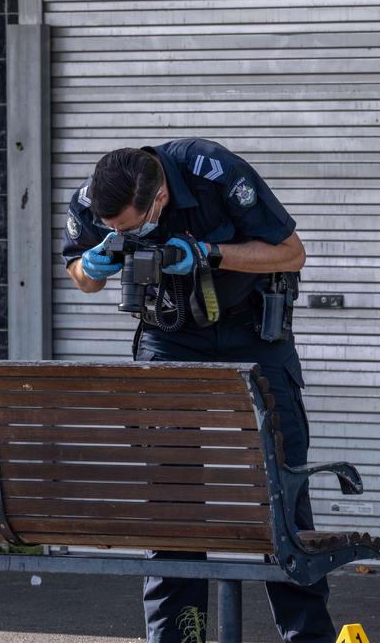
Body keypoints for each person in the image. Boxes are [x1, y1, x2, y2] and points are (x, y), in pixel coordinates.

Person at [61, 138, 335, 643]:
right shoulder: (94, 198)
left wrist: (210, 253)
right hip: (169, 336)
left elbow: (291, 253)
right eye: (114, 230)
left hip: (252, 334)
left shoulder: (213, 170)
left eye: (130, 228)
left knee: (282, 485)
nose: (123, 235)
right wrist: (93, 265)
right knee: (171, 496)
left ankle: (308, 637)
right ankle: (178, 637)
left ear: (160, 197)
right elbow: (81, 275)